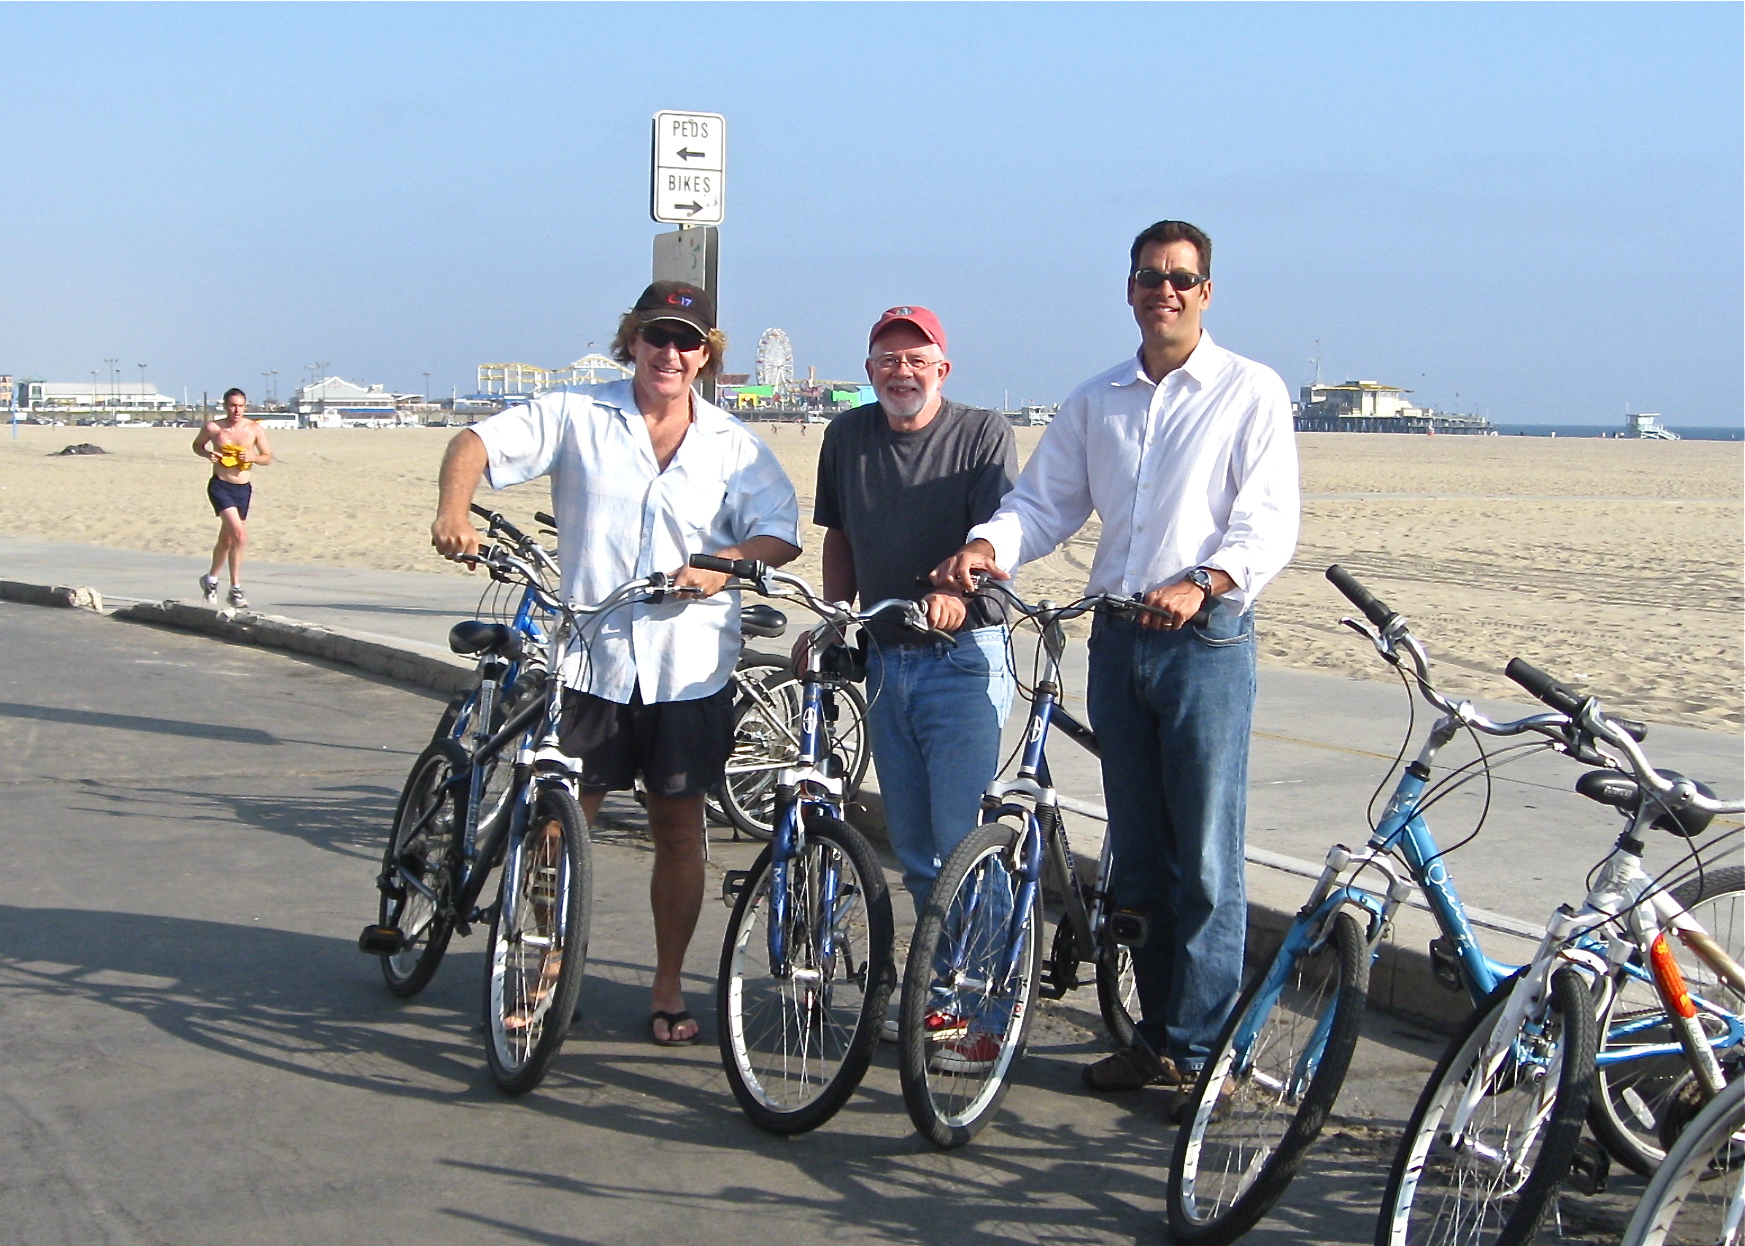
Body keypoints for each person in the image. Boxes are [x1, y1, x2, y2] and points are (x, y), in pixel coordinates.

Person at [933, 220, 1300, 1099]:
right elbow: (1044, 501)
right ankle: (1154, 1036)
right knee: (1138, 855)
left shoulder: (1249, 391)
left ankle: (1200, 1054)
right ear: (1129, 289)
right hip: (1119, 638)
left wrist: (1205, 579)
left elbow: (1268, 518)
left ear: (1205, 292)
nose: (1161, 291)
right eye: (1147, 276)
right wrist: (987, 547)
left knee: (1207, 856)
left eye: (1179, 278)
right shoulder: (1099, 398)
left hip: (1203, 642)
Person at [431, 281, 801, 1047]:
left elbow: (779, 532)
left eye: (687, 341)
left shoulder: (735, 445)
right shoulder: (575, 413)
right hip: (589, 662)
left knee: (678, 828)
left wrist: (724, 565)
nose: (671, 352)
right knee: (557, 830)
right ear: (630, 339)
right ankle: (538, 970)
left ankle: (667, 987)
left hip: (688, 666)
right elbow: (475, 444)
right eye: (656, 336)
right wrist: (453, 509)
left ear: (707, 355)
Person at [811, 306, 1017, 911]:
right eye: (890, 360)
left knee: (962, 846)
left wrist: (955, 593)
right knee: (914, 848)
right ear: (870, 369)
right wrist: (833, 620)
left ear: (942, 370)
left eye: (917, 361)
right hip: (884, 659)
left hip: (962, 656)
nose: (903, 372)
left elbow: (1002, 530)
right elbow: (839, 536)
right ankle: (939, 982)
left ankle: (982, 994)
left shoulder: (982, 432)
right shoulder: (846, 436)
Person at [192, 387, 273, 609]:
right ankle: (235, 589)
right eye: (232, 405)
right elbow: (197, 445)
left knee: (228, 539)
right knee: (239, 535)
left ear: (245, 406)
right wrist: (208, 453)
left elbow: (267, 457)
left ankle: (210, 579)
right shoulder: (214, 427)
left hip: (243, 488)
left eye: (240, 406)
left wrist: (254, 457)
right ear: (225, 406)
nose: (236, 410)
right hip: (220, 485)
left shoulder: (253, 429)